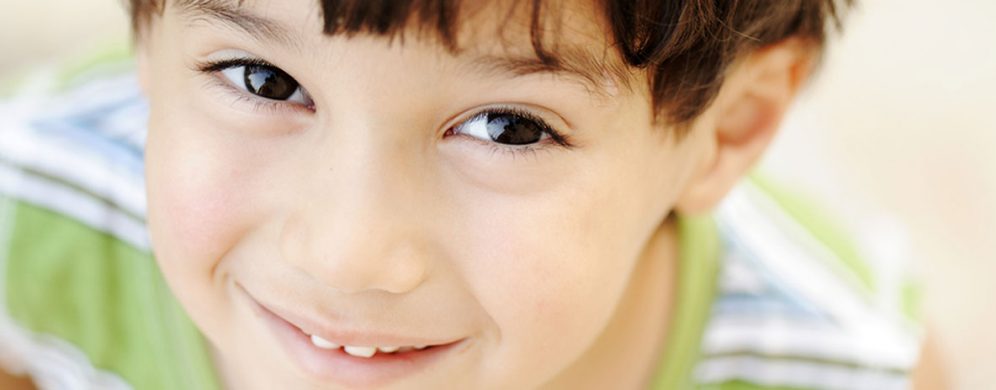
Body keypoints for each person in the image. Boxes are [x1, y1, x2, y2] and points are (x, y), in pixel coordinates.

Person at [0, 0, 925, 388]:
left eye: (508, 127)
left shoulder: (826, 363)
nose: (346, 252)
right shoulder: (34, 211)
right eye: (263, 79)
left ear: (727, 130)